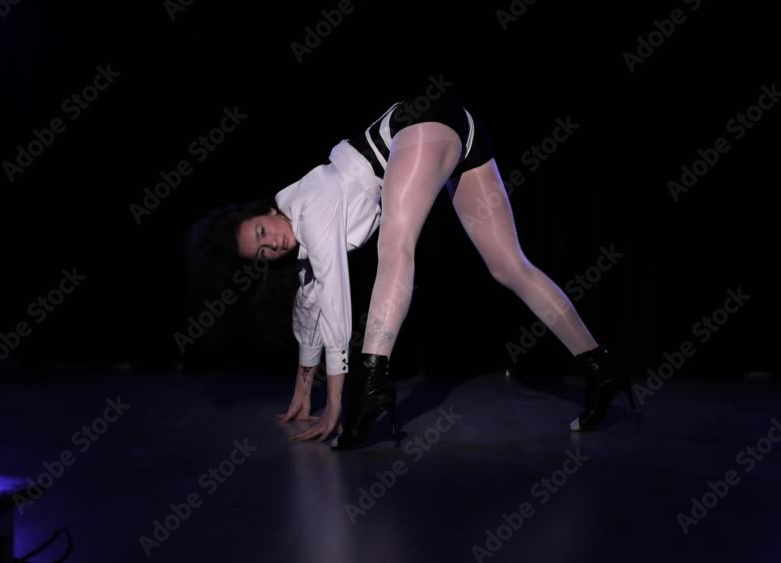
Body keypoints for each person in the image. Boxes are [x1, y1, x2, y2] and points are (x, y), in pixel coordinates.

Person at [191, 96, 633, 450]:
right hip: (455, 128)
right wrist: (303, 388)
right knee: (508, 266)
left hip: (419, 125)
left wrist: (338, 401)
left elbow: (335, 300)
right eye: (262, 252)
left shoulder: (311, 208)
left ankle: (372, 388)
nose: (271, 244)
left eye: (262, 232)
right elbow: (309, 308)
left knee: (395, 248)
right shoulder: (300, 234)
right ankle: (602, 367)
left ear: (267, 211)